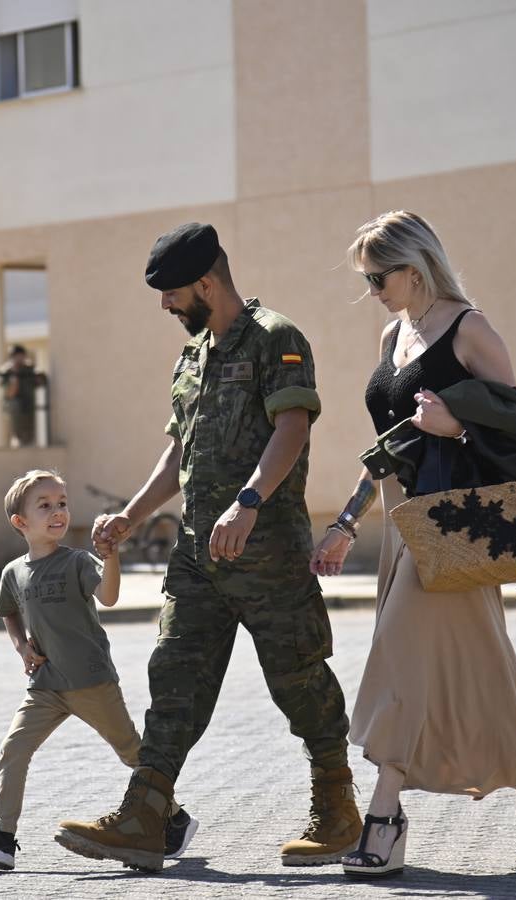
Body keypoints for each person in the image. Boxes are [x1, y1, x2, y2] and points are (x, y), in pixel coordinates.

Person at [53, 223, 361, 873]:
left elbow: (293, 425)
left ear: (205, 282)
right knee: (173, 676)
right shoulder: (192, 356)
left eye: (170, 294)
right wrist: (132, 516)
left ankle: (337, 809)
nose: (165, 306)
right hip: (198, 553)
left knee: (298, 677)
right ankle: (144, 814)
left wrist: (249, 503)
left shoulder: (276, 338)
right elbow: (178, 452)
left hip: (267, 550)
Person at [308, 211, 516, 879]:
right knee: (482, 669)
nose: (371, 288)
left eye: (379, 276)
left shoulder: (471, 329)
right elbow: (391, 448)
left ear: (415, 268)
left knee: (398, 657)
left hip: (458, 526)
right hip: (405, 525)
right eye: (366, 278)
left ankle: (384, 817)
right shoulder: (392, 332)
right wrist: (347, 522)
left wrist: (458, 426)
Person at [0, 469, 198, 872]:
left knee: (132, 752)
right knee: (14, 749)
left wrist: (110, 558)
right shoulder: (13, 573)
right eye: (45, 506)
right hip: (45, 685)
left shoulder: (78, 562)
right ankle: (1, 837)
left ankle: (175, 817)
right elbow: (9, 613)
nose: (58, 512)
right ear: (21, 522)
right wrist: (21, 648)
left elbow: (110, 595)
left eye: (62, 503)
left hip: (90, 681)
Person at [0, 344, 43, 447]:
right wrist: (15, 374)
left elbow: (40, 382)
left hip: (29, 406)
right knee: (15, 407)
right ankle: (17, 440)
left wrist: (35, 370)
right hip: (13, 408)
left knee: (29, 436)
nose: (20, 358)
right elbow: (10, 393)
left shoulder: (29, 369)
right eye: (17, 356)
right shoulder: (7, 371)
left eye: (21, 355)